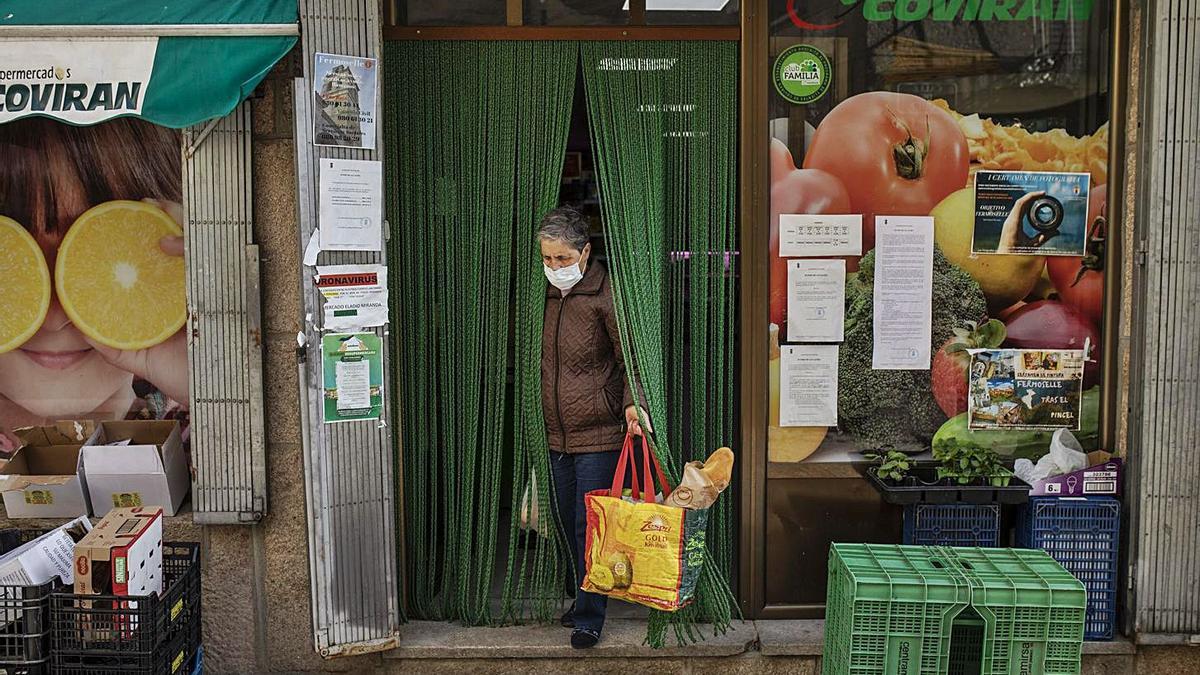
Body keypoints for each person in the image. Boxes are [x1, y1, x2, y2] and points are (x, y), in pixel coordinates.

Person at [0, 118, 188, 435]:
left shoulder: (209, 437)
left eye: (98, 257)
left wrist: (212, 365)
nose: (53, 319)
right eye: (8, 260)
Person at [538, 207, 648, 649]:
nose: (554, 269)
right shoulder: (542, 296)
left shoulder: (606, 294)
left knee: (591, 526)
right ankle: (581, 597)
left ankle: (589, 616)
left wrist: (631, 406)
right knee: (565, 521)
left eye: (563, 259)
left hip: (599, 433)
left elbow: (630, 359)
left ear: (585, 252)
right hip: (555, 432)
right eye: (547, 260)